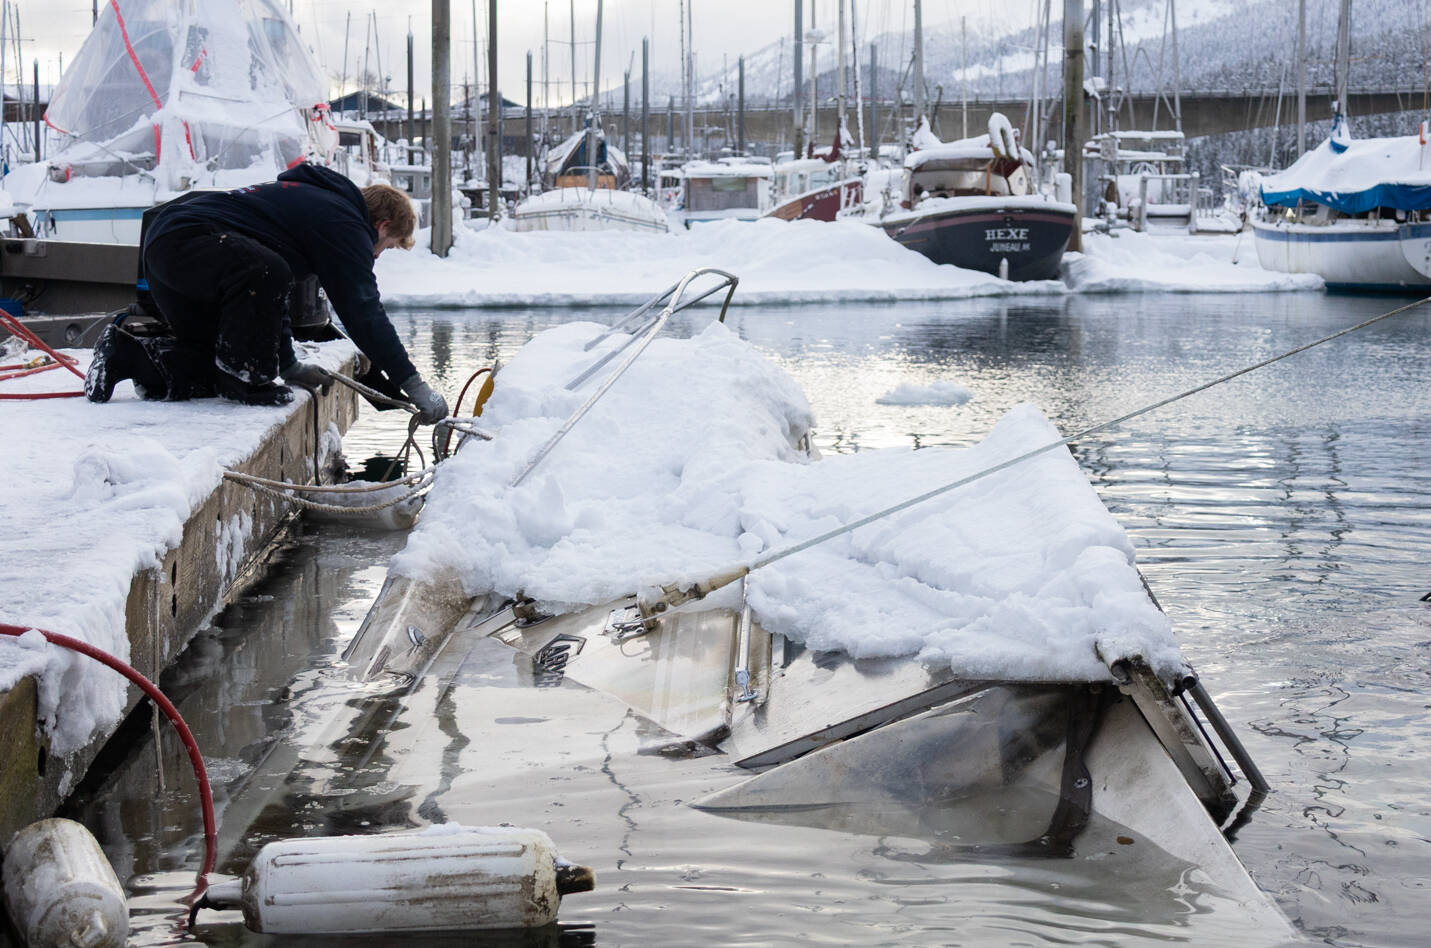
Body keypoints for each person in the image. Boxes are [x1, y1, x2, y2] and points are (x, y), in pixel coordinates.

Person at [84, 163, 448, 424]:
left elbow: (273, 300)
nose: (376, 255)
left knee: (215, 362)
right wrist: (413, 384)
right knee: (267, 275)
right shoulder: (344, 223)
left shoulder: (316, 207)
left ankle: (127, 356)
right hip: (191, 241)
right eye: (385, 246)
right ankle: (247, 379)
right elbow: (363, 311)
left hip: (171, 250)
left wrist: (287, 365)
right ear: (382, 225)